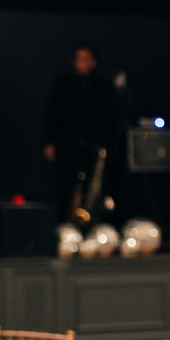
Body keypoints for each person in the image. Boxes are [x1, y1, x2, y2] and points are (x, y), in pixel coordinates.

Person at [43, 43, 121, 219]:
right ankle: (63, 222)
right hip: (67, 141)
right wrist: (50, 141)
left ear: (93, 62)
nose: (81, 63)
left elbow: (108, 117)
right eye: (78, 59)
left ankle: (90, 221)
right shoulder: (63, 84)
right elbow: (53, 113)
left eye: (85, 59)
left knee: (94, 185)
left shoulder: (103, 87)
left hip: (94, 142)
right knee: (65, 184)